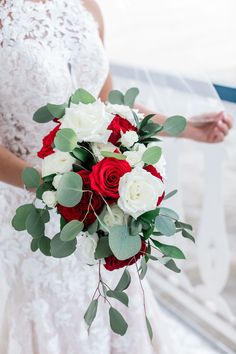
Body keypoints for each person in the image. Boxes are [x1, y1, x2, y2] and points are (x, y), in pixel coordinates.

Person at [0, 1, 232, 353]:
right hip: (33, 211)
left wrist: (184, 127)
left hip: (101, 210)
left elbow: (109, 111)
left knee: (112, 309)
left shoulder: (84, 6)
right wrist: (55, 186)